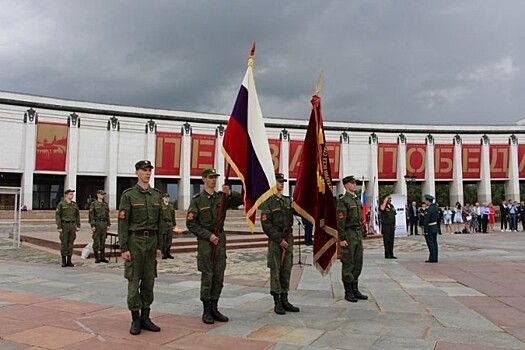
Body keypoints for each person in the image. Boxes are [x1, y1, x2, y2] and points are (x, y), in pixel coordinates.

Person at [186, 168, 242, 324]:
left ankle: (215, 307)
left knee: (219, 275)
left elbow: (242, 200)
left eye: (215, 177)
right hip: (206, 241)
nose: (213, 180)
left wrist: (230, 193)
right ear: (204, 179)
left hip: (220, 240)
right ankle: (206, 310)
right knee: (207, 275)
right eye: (210, 177)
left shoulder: (222, 197)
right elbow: (191, 224)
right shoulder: (197, 200)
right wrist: (208, 236)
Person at [118, 160, 163, 335]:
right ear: (137, 172)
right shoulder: (129, 195)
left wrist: (160, 245)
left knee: (149, 282)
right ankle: (135, 318)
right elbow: (123, 223)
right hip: (135, 242)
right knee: (134, 281)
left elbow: (160, 222)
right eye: (144, 170)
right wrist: (124, 248)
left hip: (151, 242)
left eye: (149, 170)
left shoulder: (156, 195)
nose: (148, 173)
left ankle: (146, 317)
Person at [260, 173, 300, 315]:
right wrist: (279, 239)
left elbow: (299, 212)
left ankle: (285, 298)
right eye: (279, 181)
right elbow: (266, 224)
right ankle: (277, 301)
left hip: (288, 238)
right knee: (276, 270)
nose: (282, 184)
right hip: (276, 240)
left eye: (283, 182)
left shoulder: (288, 200)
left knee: (286, 269)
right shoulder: (268, 202)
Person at [336, 175, 368, 303]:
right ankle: (348, 291)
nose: (354, 185)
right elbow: (341, 221)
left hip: (357, 234)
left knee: (358, 262)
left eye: (355, 183)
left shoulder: (356, 200)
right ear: (346, 185)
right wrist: (342, 238)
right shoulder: (343, 200)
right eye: (352, 183)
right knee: (348, 262)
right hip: (348, 234)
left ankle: (355, 288)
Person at [55, 189, 80, 267]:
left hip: (72, 225)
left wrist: (78, 225)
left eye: (72, 194)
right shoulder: (61, 204)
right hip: (64, 225)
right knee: (64, 243)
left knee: (71, 243)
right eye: (70, 194)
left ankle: (69, 260)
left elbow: (77, 215)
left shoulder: (74, 204)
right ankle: (63, 260)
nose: (72, 196)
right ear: (66, 195)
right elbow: (57, 216)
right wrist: (59, 226)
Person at [89, 190, 111, 263]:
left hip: (104, 223)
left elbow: (107, 215)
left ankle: (102, 256)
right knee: (96, 240)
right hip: (97, 223)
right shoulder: (94, 204)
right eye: (101, 194)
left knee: (103, 240)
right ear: (98, 195)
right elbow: (91, 215)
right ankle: (96, 257)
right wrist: (92, 225)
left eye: (103, 195)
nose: (103, 196)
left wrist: (108, 224)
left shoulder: (105, 204)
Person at [379, 194, 397, 259]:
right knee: (386, 240)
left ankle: (391, 253)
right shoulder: (383, 205)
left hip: (392, 225)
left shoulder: (391, 206)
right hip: (386, 226)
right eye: (389, 198)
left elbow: (394, 215)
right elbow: (382, 209)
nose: (390, 200)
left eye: (390, 198)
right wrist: (385, 201)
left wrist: (395, 224)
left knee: (391, 240)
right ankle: (387, 254)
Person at [423, 194, 439, 263]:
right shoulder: (435, 207)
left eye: (425, 200)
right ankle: (435, 257)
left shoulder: (428, 209)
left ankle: (432, 258)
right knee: (435, 243)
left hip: (429, 228)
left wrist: (425, 230)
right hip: (434, 227)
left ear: (427, 201)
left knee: (431, 243)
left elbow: (426, 221)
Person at [160, 193, 176, 259]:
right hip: (163, 224)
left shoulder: (171, 206)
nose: (167, 198)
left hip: (170, 224)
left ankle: (168, 252)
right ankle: (164, 253)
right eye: (165, 197)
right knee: (164, 239)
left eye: (168, 197)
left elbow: (173, 216)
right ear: (163, 198)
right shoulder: (161, 206)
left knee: (169, 239)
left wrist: (174, 224)